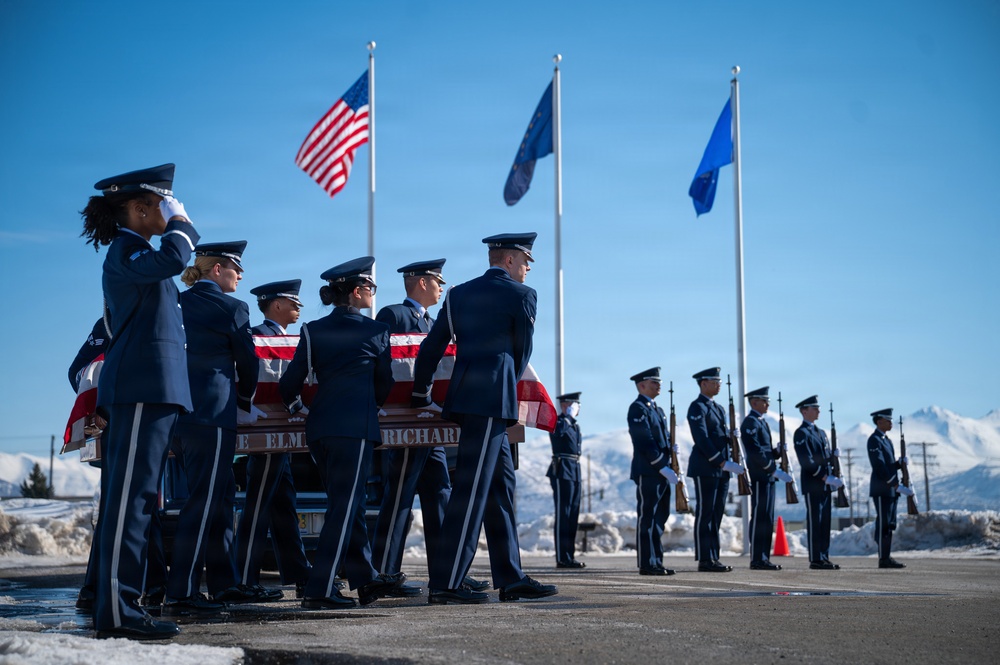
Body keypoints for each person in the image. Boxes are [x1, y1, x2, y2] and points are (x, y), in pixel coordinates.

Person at [81, 163, 199, 640]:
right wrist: (181, 223)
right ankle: (117, 612)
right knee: (129, 504)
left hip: (152, 392)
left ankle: (122, 607)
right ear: (138, 208)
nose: (168, 211)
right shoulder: (126, 251)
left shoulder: (137, 253)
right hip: (139, 391)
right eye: (161, 203)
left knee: (137, 503)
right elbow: (174, 259)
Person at [411, 233, 557, 604]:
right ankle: (446, 584)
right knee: (472, 489)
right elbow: (521, 352)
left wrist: (421, 392)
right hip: (491, 401)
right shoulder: (522, 295)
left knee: (499, 487)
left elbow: (432, 346)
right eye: (525, 261)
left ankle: (510, 576)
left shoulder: (458, 294)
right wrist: (503, 386)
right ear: (509, 260)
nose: (527, 268)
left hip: (469, 398)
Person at [279, 256, 402, 609]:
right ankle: (319, 588)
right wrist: (369, 406)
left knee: (348, 504)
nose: (373, 293)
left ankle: (365, 579)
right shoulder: (376, 331)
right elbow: (385, 383)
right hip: (354, 429)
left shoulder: (312, 330)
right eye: (370, 288)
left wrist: (297, 408)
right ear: (358, 291)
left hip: (320, 430)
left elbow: (289, 385)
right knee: (345, 508)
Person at [163, 241, 271, 616]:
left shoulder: (175, 303)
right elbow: (249, 362)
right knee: (204, 504)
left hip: (176, 416)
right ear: (217, 269)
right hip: (211, 416)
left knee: (220, 497)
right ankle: (181, 593)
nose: (240, 275)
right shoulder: (232, 308)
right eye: (235, 269)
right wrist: (244, 402)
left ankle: (225, 585)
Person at [371, 259, 465, 597]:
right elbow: (384, 362)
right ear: (422, 283)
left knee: (440, 494)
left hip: (432, 426)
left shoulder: (435, 322)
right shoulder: (394, 315)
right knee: (399, 497)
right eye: (438, 281)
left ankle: (446, 574)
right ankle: (384, 574)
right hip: (408, 424)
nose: (441, 288)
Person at [233, 279, 312, 598]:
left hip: (283, 435)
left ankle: (300, 574)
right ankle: (243, 579)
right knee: (258, 506)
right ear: (276, 305)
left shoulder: (292, 339)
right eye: (293, 303)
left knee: (283, 505)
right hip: (265, 434)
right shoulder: (256, 338)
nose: (298, 308)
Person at [686, 367, 744, 573]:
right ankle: (704, 558)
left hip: (722, 469)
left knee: (717, 513)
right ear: (703, 384)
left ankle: (714, 556)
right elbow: (701, 438)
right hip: (706, 467)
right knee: (706, 512)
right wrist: (720, 461)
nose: (718, 385)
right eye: (714, 382)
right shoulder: (697, 407)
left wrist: (731, 437)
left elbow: (718, 436)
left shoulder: (718, 409)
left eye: (719, 382)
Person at [627, 369, 677, 576]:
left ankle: (656, 561)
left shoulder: (658, 409)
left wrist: (671, 454)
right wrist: (661, 465)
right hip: (649, 470)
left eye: (659, 382)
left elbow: (662, 438)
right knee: (647, 517)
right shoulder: (638, 408)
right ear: (641, 385)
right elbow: (644, 441)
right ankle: (647, 563)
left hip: (661, 470)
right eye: (654, 382)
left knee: (660, 517)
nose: (658, 385)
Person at [741, 387, 792, 571]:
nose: (767, 404)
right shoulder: (750, 423)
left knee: (767, 518)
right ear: (754, 402)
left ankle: (764, 557)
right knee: (759, 516)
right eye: (764, 401)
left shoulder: (761, 422)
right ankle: (757, 558)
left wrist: (777, 452)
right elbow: (755, 452)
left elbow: (766, 450)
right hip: (759, 475)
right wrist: (772, 469)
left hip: (767, 476)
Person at [793, 395, 843, 570]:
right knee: (816, 521)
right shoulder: (801, 433)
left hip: (825, 484)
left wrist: (833, 457)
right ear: (804, 411)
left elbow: (824, 457)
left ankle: (824, 556)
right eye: (814, 408)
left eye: (818, 408)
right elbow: (806, 461)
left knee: (825, 522)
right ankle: (816, 558)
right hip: (813, 483)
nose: (818, 411)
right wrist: (823, 476)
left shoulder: (821, 432)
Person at [867, 408, 911, 569]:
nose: (891, 423)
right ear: (879, 422)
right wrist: (895, 484)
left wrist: (900, 464)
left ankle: (886, 555)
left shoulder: (887, 440)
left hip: (891, 489)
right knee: (884, 523)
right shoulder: (874, 440)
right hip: (882, 488)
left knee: (890, 524)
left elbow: (890, 465)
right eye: (888, 420)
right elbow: (879, 465)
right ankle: (883, 558)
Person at [548, 391, 585, 569]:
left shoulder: (574, 425)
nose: (578, 408)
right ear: (565, 405)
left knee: (573, 515)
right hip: (562, 470)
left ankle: (569, 556)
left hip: (575, 470)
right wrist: (568, 417)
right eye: (574, 405)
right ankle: (562, 557)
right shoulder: (558, 421)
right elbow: (558, 433)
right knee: (563, 514)